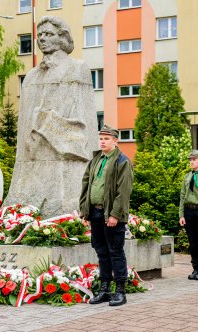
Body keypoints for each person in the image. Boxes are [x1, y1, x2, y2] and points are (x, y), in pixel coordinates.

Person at [4, 16, 98, 217]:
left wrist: (46, 122)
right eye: (39, 35)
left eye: (48, 34)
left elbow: (83, 120)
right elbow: (24, 125)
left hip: (65, 160)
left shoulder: (77, 68)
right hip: (32, 157)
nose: (42, 39)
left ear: (62, 37)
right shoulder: (31, 76)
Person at [79, 125, 133, 306]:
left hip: (111, 214)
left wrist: (115, 214)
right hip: (95, 212)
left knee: (115, 251)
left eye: (106, 139)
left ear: (115, 140)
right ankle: (104, 290)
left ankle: (120, 292)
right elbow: (86, 185)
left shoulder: (122, 161)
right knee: (101, 251)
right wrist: (85, 211)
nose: (102, 141)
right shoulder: (95, 160)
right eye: (101, 138)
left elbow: (123, 191)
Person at [179, 150, 198, 280]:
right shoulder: (187, 177)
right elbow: (182, 196)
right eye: (190, 160)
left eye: (194, 159)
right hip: (189, 211)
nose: (191, 162)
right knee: (193, 242)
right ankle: (196, 269)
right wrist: (181, 215)